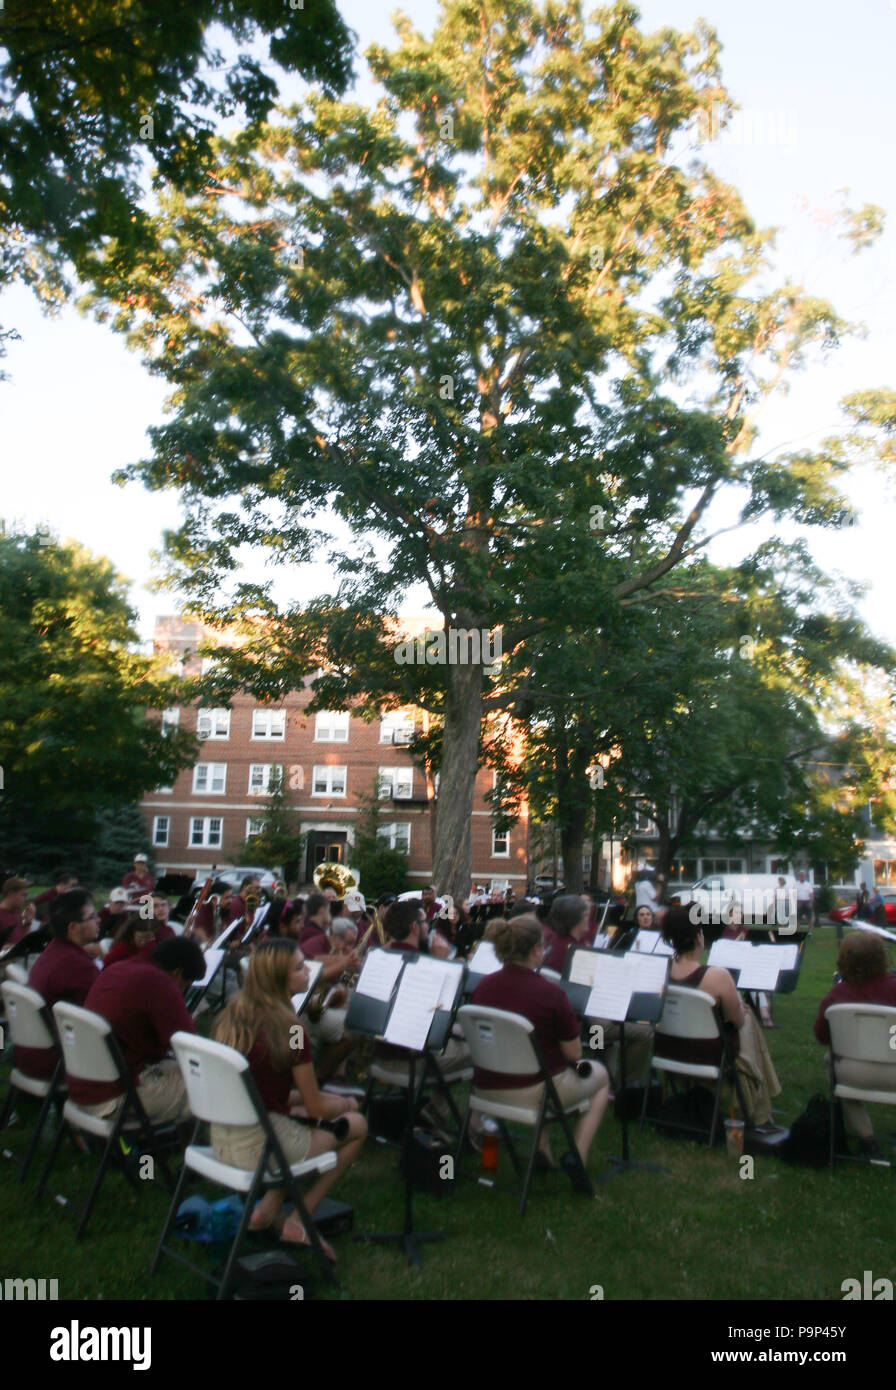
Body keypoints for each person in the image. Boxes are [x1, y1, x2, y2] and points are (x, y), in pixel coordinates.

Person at [212, 939, 367, 1257]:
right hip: (261, 1144)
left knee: (296, 1127)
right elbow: (317, 1107)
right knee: (355, 1125)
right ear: (277, 979)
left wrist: (314, 1099)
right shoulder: (291, 1028)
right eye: (299, 968)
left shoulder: (231, 1016)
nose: (308, 972)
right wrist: (345, 1104)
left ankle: (266, 1211)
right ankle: (299, 1220)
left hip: (222, 1138)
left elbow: (268, 1092)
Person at [470, 915, 610, 1187]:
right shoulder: (551, 993)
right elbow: (572, 1054)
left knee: (544, 1065)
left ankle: (542, 1151)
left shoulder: (483, 987)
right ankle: (577, 1158)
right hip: (533, 1091)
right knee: (599, 1076)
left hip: (485, 1087)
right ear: (536, 950)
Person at [658, 907, 781, 1128]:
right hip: (710, 1054)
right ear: (698, 937)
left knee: (745, 1017)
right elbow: (737, 1023)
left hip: (668, 1048)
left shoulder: (660, 970)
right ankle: (757, 1100)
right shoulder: (717, 976)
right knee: (748, 1018)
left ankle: (759, 1094)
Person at [67, 937, 205, 1124]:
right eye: (185, 985)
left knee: (177, 1069)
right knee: (208, 1085)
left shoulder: (118, 968)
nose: (183, 991)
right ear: (177, 973)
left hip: (83, 1088)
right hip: (114, 1098)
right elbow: (191, 1048)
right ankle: (196, 1149)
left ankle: (172, 1146)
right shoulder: (161, 982)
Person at [814, 931, 896, 1159]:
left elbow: (822, 1036)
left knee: (830, 1062)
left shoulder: (836, 995)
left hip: (852, 1073)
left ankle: (867, 1139)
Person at [21, 890, 102, 1079]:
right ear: (73, 927)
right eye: (92, 916)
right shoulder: (77, 966)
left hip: (34, 1055)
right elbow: (106, 1015)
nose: (98, 920)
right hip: (59, 1061)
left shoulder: (54, 952)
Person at [0, 876, 28, 947]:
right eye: (23, 895)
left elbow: (22, 938)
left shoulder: (15, 912)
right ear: (11, 894)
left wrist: (28, 922)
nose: (26, 899)